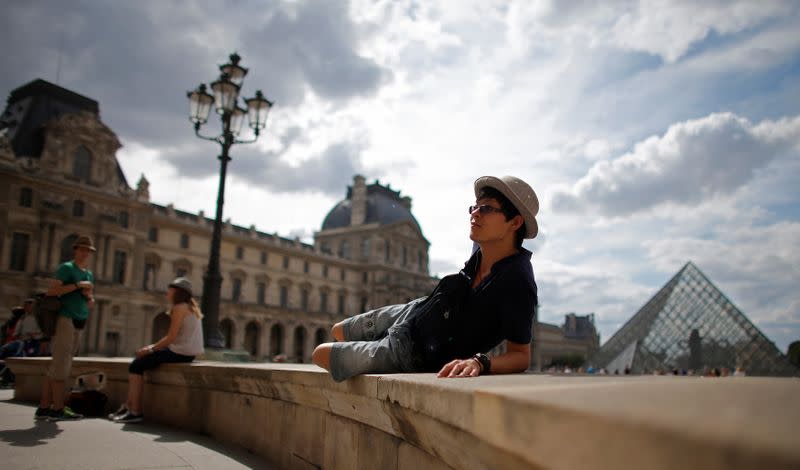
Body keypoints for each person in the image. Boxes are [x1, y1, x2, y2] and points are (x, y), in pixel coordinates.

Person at [312, 175, 539, 381]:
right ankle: (375, 343)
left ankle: (377, 346)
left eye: (486, 209)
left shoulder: (518, 280)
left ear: (515, 223)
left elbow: (520, 355)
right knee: (338, 329)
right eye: (474, 207)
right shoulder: (483, 248)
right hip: (413, 310)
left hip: (411, 352)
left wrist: (480, 361)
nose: (474, 213)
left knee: (321, 353)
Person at [110, 277, 204, 423]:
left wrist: (149, 349)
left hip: (180, 352)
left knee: (136, 365)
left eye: (170, 290)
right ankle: (128, 405)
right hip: (188, 353)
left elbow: (171, 337)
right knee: (139, 363)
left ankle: (135, 411)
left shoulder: (179, 308)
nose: (167, 293)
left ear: (177, 292)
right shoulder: (191, 307)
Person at [35, 235, 96, 421]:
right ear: (75, 250)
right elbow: (52, 292)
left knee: (59, 364)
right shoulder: (66, 268)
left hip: (80, 319)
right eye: (82, 249)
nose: (85, 253)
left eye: (88, 250)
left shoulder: (88, 273)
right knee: (61, 365)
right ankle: (58, 409)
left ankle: (44, 407)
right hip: (65, 318)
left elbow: (89, 299)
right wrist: (77, 285)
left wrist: (89, 297)